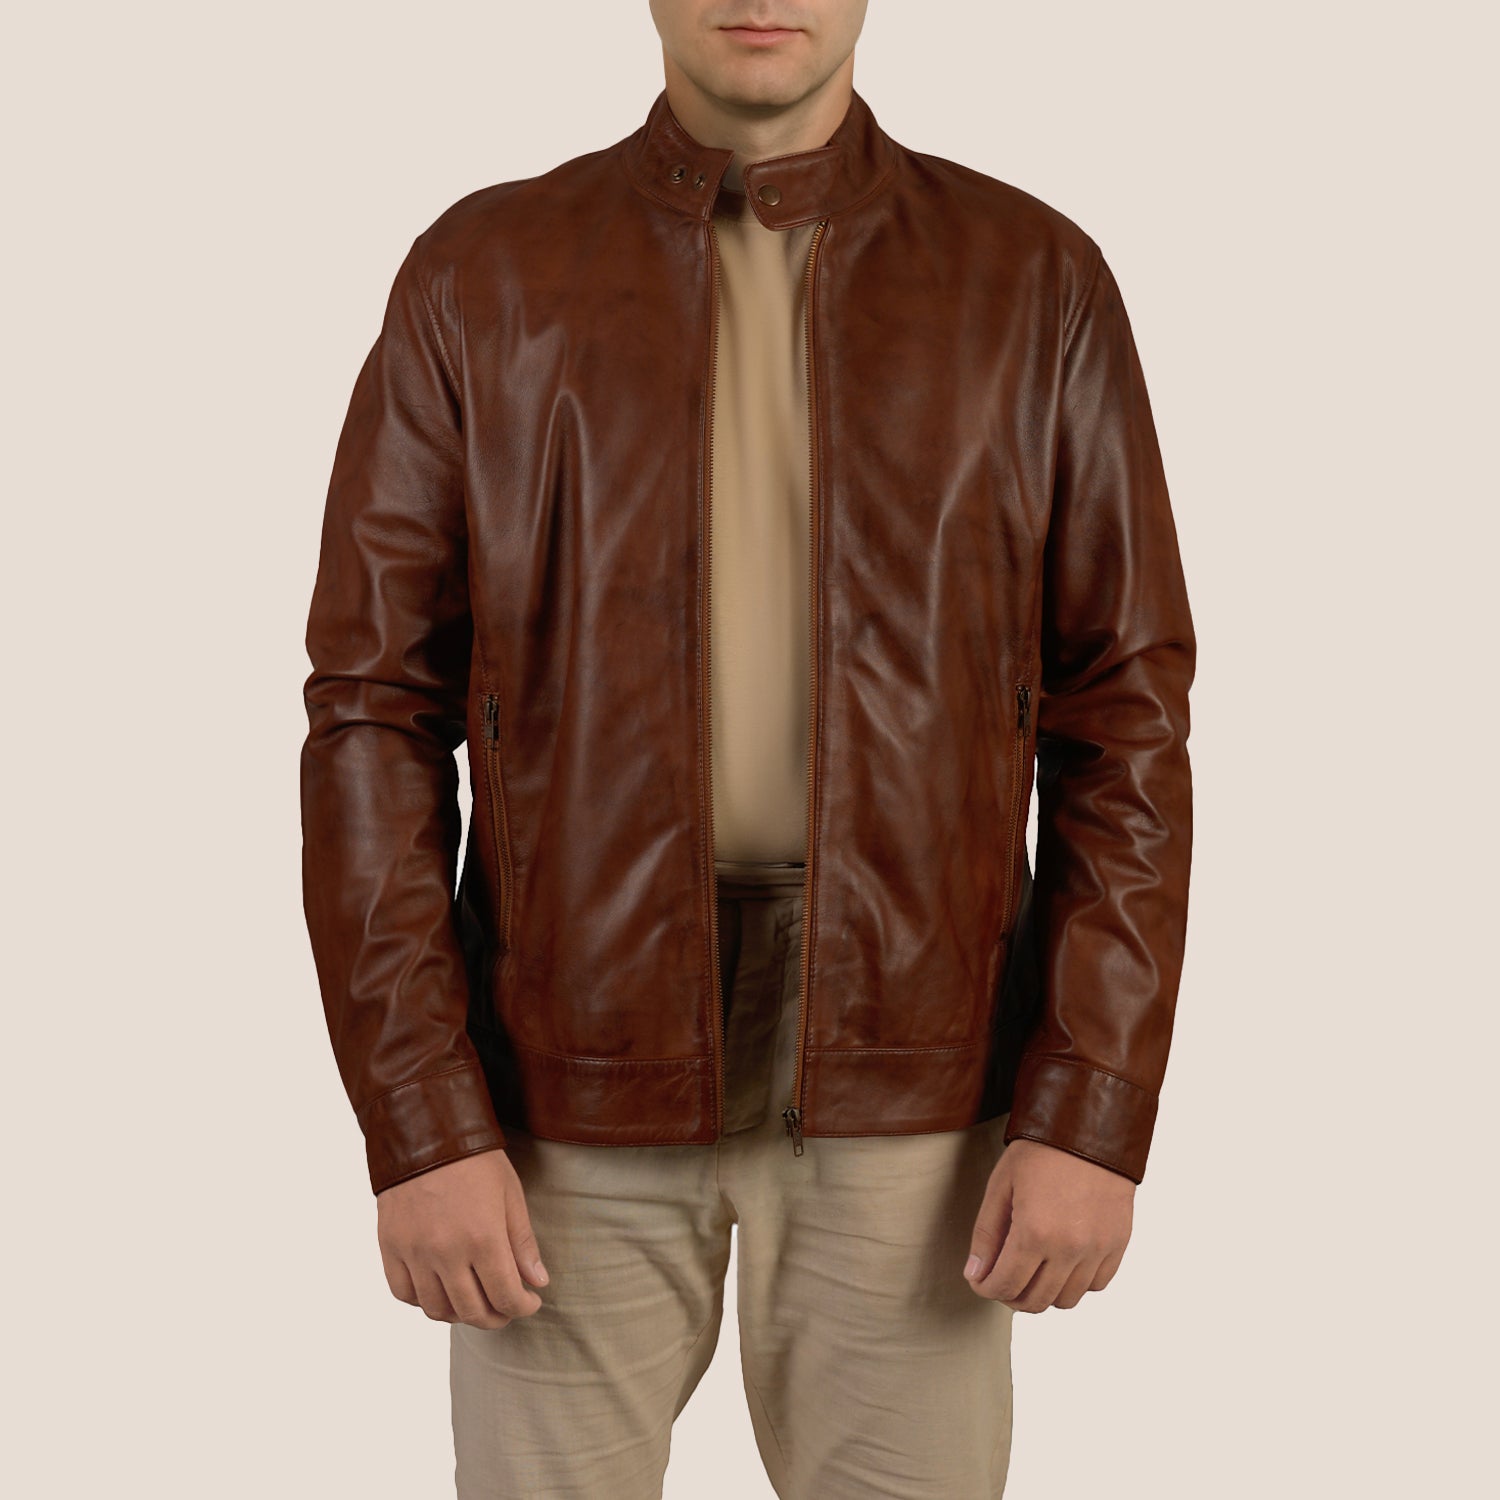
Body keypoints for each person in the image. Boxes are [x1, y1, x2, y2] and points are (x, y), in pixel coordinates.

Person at [298, 2, 1196, 1495]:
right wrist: (421, 1120)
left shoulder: (1034, 279)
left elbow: (1127, 717)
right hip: (560, 1076)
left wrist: (1092, 1104)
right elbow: (371, 711)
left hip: (917, 1076)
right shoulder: (485, 273)